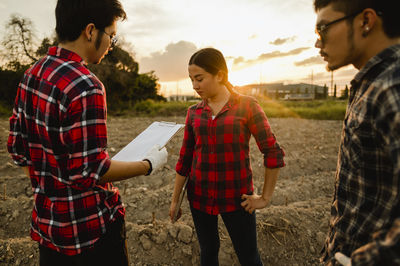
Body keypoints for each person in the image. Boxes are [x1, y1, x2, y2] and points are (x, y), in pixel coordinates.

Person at [6, 0, 168, 265]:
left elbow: (17, 150)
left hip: (49, 228)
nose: (110, 46)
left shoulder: (31, 75)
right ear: (91, 31)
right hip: (90, 232)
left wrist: (52, 182)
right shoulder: (86, 86)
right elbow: (90, 171)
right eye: (111, 36)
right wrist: (147, 165)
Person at [169, 48, 285, 266]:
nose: (194, 85)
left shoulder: (247, 106)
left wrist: (265, 198)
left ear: (220, 75)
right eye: (191, 79)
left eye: (200, 78)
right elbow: (185, 160)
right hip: (200, 197)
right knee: (208, 251)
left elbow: (272, 151)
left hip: (238, 199)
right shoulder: (194, 112)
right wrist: (176, 200)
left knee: (249, 256)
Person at [313, 0, 400, 265]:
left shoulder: (391, 87)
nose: (318, 43)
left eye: (324, 29)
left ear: (366, 20)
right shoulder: (371, 83)